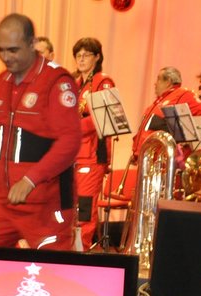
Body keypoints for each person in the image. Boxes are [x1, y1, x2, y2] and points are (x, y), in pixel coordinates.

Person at [0, 14, 82, 252]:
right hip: (3, 201)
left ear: (32, 44)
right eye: (0, 50)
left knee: (51, 278)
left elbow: (70, 142)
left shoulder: (57, 81)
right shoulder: (4, 80)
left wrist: (31, 179)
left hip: (46, 206)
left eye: (13, 50)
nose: (5, 57)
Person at [71, 38, 116, 249]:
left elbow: (101, 118)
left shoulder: (102, 82)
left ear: (97, 57)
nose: (81, 58)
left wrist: (71, 128)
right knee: (71, 208)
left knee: (85, 209)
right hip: (72, 155)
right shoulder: (76, 84)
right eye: (78, 55)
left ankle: (83, 251)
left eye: (86, 54)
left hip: (91, 154)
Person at [134, 66, 201, 152]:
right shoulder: (159, 101)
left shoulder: (183, 95)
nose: (155, 83)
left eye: (158, 79)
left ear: (168, 82)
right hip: (144, 157)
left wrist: (187, 142)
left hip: (160, 160)